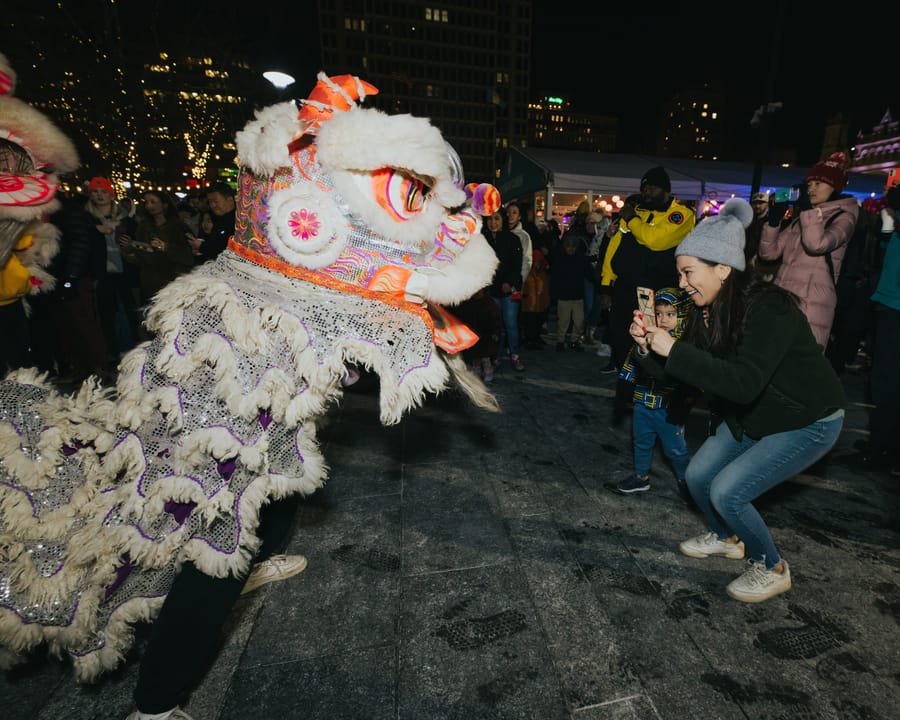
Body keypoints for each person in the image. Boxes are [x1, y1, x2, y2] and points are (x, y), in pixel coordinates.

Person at [0, 72, 502, 720]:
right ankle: (157, 704)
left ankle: (253, 552)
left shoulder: (297, 264)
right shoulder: (260, 281)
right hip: (220, 419)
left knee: (280, 489)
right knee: (215, 551)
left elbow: (366, 302)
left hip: (263, 405)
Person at [631, 198, 845, 603]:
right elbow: (687, 374)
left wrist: (673, 350)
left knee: (728, 491)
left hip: (807, 419)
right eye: (680, 273)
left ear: (723, 268)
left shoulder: (769, 309)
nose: (681, 284)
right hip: (755, 414)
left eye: (688, 272)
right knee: (697, 476)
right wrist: (648, 348)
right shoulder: (706, 310)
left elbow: (744, 382)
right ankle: (728, 537)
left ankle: (772, 566)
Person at [598, 167, 696, 425]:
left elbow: (657, 240)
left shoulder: (680, 215)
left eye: (651, 187)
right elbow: (614, 248)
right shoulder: (637, 214)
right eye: (644, 188)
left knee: (654, 343)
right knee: (621, 340)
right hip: (625, 289)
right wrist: (607, 285)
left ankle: (656, 395)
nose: (646, 192)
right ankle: (626, 389)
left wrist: (631, 220)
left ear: (666, 190)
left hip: (657, 293)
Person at [757, 152, 860, 349]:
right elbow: (768, 253)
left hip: (811, 305)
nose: (811, 189)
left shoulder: (844, 217)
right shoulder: (803, 217)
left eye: (818, 183)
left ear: (834, 186)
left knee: (799, 368)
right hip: (783, 300)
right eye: (809, 184)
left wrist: (807, 211)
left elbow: (816, 245)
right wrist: (774, 221)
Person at [613, 286, 694, 501]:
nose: (664, 319)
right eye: (659, 314)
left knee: (675, 450)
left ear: (682, 315)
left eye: (671, 314)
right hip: (643, 402)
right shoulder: (646, 336)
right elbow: (631, 362)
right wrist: (623, 388)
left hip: (668, 408)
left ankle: (686, 481)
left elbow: (684, 376)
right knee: (641, 441)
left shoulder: (681, 345)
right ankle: (641, 477)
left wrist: (685, 402)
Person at [85, 176, 141, 363]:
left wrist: (130, 244)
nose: (100, 196)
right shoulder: (87, 219)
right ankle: (112, 352)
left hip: (125, 273)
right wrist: (94, 231)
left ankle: (130, 350)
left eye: (103, 192)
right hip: (101, 274)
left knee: (127, 312)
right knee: (106, 314)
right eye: (95, 191)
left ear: (111, 194)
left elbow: (138, 241)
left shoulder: (125, 219)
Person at [120, 189, 196, 312]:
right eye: (147, 202)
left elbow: (187, 256)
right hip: (149, 282)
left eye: (153, 202)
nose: (149, 206)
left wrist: (166, 247)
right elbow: (139, 257)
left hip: (172, 281)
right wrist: (130, 249)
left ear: (164, 204)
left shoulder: (177, 226)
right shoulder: (144, 227)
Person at [485, 208, 525, 371]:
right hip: (490, 290)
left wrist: (510, 281)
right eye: (490, 219)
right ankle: (496, 356)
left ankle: (514, 354)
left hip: (508, 290)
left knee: (510, 324)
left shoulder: (512, 239)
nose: (493, 223)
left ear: (503, 220)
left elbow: (517, 264)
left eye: (497, 219)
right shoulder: (483, 239)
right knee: (495, 326)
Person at [549, 233, 593, 351]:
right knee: (563, 321)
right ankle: (561, 341)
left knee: (579, 321)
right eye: (568, 246)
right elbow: (554, 278)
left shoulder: (581, 259)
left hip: (577, 296)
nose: (571, 248)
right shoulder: (560, 259)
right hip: (564, 296)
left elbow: (589, 274)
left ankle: (573, 340)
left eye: (573, 246)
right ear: (565, 246)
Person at [190, 181, 235, 263]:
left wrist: (202, 247)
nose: (212, 205)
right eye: (210, 202)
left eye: (216, 201)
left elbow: (225, 250)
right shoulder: (217, 220)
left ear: (230, 200)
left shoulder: (239, 223)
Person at [521, 247, 550, 350]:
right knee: (529, 325)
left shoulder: (543, 274)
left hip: (540, 305)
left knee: (537, 324)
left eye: (539, 261)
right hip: (528, 306)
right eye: (535, 261)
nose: (537, 263)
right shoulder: (526, 274)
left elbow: (546, 290)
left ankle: (535, 339)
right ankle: (530, 340)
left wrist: (547, 303)